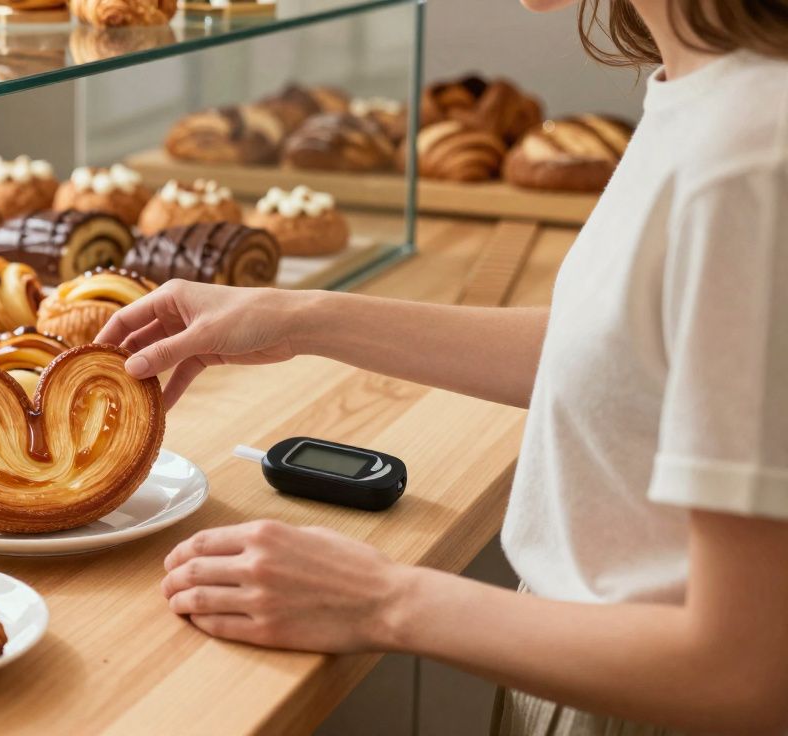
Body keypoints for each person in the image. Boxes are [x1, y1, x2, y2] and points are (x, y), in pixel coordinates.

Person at [96, 1, 788, 733]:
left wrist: (382, 599)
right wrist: (302, 317)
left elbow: (742, 669)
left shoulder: (752, 156)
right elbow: (633, 358)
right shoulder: (707, 91)